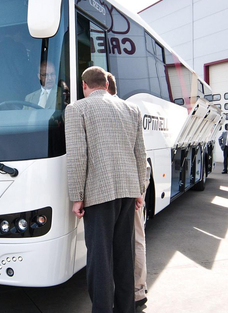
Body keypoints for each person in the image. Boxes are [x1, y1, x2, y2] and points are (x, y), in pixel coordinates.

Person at [66, 66, 147, 313]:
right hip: (127, 192)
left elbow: (78, 156)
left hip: (98, 195)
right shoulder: (131, 109)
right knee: (124, 256)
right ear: (105, 83)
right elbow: (139, 154)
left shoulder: (77, 108)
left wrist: (76, 196)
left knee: (100, 260)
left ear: (84, 86)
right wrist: (139, 191)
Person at [105, 72, 149, 309]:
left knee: (134, 237)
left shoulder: (119, 109)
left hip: (130, 181)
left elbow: (138, 155)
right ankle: (133, 289)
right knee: (132, 238)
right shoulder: (127, 109)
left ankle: (136, 290)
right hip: (132, 179)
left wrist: (139, 190)